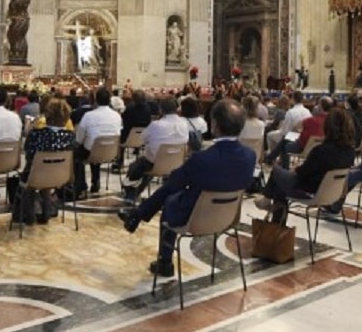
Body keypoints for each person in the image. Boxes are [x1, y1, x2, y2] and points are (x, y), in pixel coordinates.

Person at [118, 99, 257, 277]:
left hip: (196, 218)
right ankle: (137, 216)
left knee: (170, 197)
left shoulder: (203, 159)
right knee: (176, 190)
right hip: (228, 217)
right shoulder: (250, 156)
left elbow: (174, 181)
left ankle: (164, 260)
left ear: (214, 125)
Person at [256, 106, 357, 223]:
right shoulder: (350, 151)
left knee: (276, 172)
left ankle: (267, 203)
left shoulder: (321, 150)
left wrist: (296, 170)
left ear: (327, 127)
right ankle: (274, 219)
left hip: (310, 189)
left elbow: (303, 174)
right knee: (280, 186)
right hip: (331, 192)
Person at [120, 97, 191, 201]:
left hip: (155, 162)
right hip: (176, 163)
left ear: (161, 110)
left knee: (136, 166)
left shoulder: (156, 125)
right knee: (146, 164)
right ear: (176, 109)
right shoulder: (184, 124)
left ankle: (131, 192)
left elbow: (142, 138)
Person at [21, 98, 77, 224]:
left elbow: (28, 152)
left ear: (47, 115)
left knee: (30, 181)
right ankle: (46, 211)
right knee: (47, 174)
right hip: (62, 177)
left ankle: (29, 216)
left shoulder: (36, 134)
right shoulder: (70, 136)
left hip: (36, 176)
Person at [74, 87, 122, 194]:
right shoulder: (117, 116)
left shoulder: (89, 115)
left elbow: (79, 138)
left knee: (76, 154)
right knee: (96, 145)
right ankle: (95, 180)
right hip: (111, 152)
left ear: (96, 100)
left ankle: (80, 185)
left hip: (92, 151)